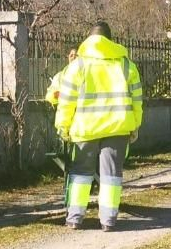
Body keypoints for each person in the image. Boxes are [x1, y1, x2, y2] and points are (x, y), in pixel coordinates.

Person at [53, 22, 143, 231]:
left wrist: (63, 126)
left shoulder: (78, 65)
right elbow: (137, 99)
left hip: (85, 129)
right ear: (111, 41)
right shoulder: (126, 65)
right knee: (111, 175)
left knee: (80, 173)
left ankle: (75, 218)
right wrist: (135, 125)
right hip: (118, 128)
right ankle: (108, 220)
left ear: (88, 39)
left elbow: (67, 100)